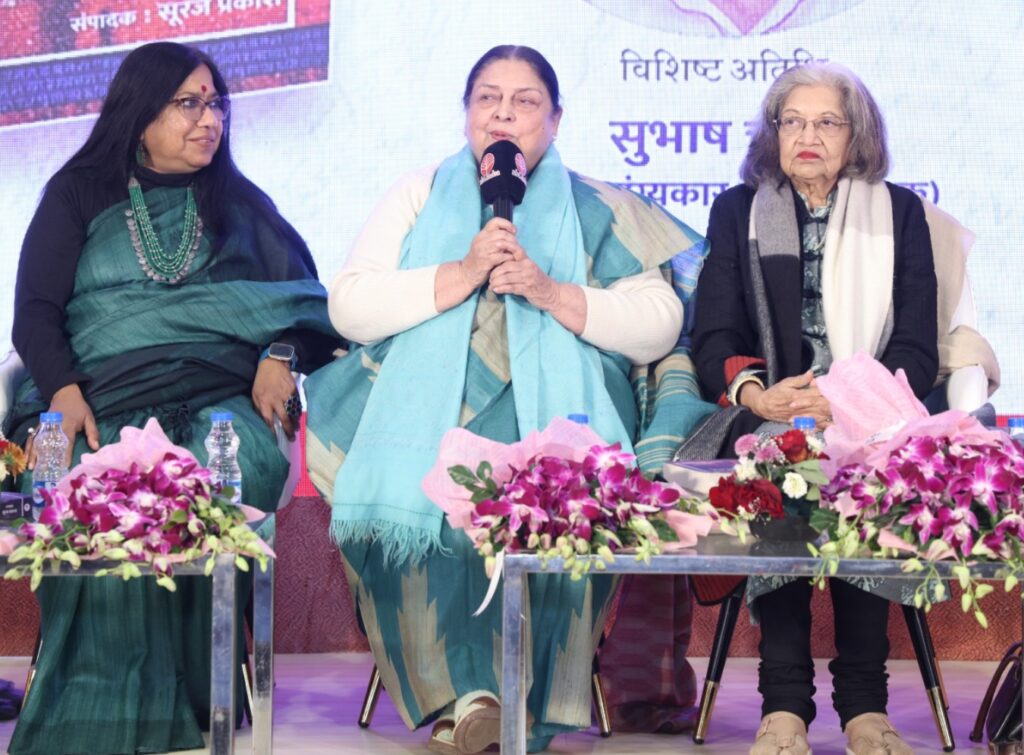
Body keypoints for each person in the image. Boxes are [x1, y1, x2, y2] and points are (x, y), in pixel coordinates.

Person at [304, 45, 714, 754]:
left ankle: (504, 701)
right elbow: (350, 304)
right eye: (487, 98)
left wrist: (549, 291)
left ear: (555, 121)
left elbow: (658, 322)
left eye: (525, 102)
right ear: (467, 115)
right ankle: (470, 699)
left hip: (564, 410)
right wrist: (462, 272)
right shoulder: (418, 191)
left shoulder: (599, 206)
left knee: (547, 498)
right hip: (423, 402)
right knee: (432, 495)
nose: (503, 114)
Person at [5, 41, 337, 754]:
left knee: (215, 473)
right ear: (140, 112)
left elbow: (309, 307)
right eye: (189, 103)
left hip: (218, 400)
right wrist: (61, 391)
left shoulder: (241, 206)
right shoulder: (77, 193)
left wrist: (280, 353)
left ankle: (195, 693)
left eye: (216, 104)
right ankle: (100, 703)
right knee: (78, 481)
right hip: (94, 398)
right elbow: (34, 313)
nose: (209, 120)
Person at [690, 62, 940, 755]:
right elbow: (714, 336)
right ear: (772, 133)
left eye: (827, 121)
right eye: (792, 121)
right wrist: (758, 394)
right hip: (773, 406)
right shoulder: (738, 210)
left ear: (857, 134)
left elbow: (918, 346)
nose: (808, 136)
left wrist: (851, 399)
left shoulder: (900, 213)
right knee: (780, 459)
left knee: (865, 466)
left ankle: (864, 707)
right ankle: (784, 706)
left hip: (872, 408)